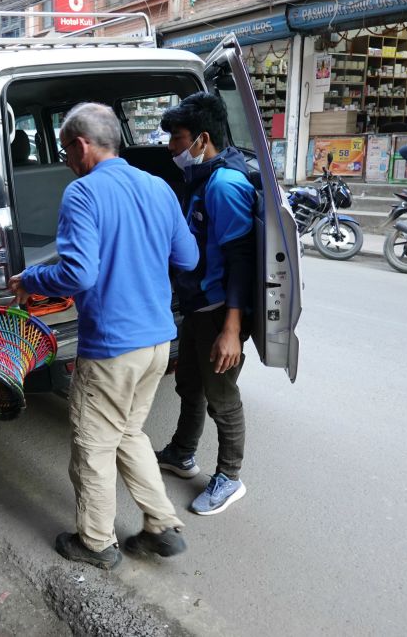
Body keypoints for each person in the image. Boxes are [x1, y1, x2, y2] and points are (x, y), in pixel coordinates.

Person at [8, 103, 198, 570]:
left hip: (113, 348)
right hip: (157, 341)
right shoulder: (157, 187)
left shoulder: (82, 193)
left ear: (80, 145)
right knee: (129, 432)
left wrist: (29, 279)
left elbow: (77, 273)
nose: (68, 161)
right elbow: (189, 258)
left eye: (67, 151)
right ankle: (161, 525)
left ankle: (95, 542)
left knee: (93, 445)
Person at [154, 92, 256, 516]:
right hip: (198, 307)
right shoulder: (204, 177)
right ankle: (182, 452)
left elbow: (241, 261)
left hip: (219, 311)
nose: (171, 148)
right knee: (189, 383)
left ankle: (230, 477)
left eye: (177, 139)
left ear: (202, 139)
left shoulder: (226, 186)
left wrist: (231, 331)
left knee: (221, 393)